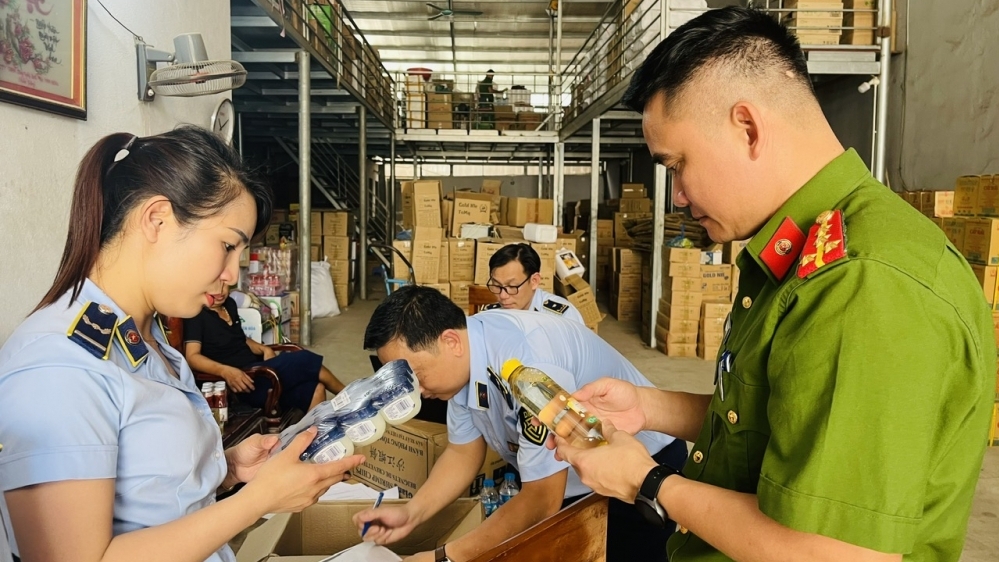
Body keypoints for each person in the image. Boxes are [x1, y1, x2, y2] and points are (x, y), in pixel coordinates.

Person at [551, 7, 995, 562]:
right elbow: (773, 419)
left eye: (678, 164)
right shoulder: (801, 252)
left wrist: (647, 481)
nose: (679, 196)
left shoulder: (862, 284)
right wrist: (647, 406)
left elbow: (832, 553)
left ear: (748, 128)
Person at [0, 127, 364, 562]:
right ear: (157, 219)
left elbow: (147, 492)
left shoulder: (146, 339)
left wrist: (226, 469)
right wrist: (258, 501)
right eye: (227, 245)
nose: (232, 275)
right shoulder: (58, 366)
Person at [354, 286, 685, 562]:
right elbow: (462, 452)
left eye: (416, 376)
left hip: (639, 471)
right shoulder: (464, 358)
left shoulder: (529, 370)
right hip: (577, 476)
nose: (416, 391)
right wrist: (410, 514)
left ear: (450, 341)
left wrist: (444, 557)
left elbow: (542, 500)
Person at [183, 283, 345, 413]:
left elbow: (240, 339)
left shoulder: (229, 304)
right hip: (241, 384)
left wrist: (264, 349)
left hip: (258, 372)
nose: (219, 291)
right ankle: (350, 396)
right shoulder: (196, 315)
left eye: (223, 284)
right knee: (303, 359)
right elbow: (192, 356)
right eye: (213, 285)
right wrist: (225, 371)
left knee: (316, 389)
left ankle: (312, 439)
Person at [482, 243, 584, 324]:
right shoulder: (489, 315)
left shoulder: (562, 317)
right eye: (497, 285)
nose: (503, 296)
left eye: (512, 286)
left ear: (534, 281)